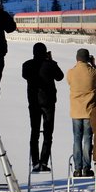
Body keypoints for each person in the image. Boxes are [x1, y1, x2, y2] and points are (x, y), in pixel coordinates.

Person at [66, 48, 96, 177]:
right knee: (87, 139)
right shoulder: (92, 71)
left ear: (77, 58)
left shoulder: (71, 72)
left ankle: (77, 169)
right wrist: (94, 65)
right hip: (89, 112)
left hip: (75, 112)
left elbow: (69, 81)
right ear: (87, 58)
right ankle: (86, 168)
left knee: (76, 139)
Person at [21, 42, 63, 172]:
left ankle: (35, 162)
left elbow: (25, 75)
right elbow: (60, 77)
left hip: (34, 102)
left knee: (34, 132)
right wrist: (50, 60)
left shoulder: (27, 65)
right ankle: (44, 162)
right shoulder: (50, 64)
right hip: (48, 102)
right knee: (48, 133)